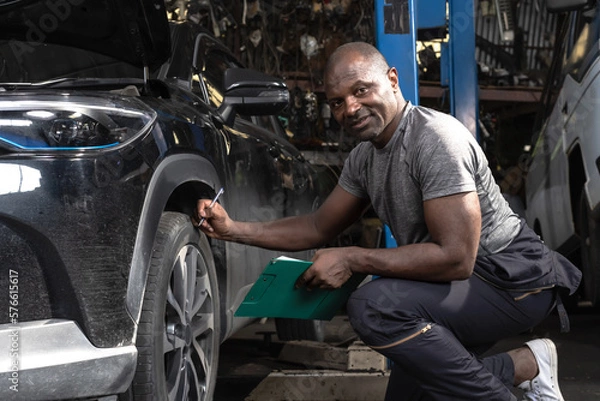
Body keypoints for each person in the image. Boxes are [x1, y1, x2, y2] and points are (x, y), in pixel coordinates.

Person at [193, 42, 581, 400]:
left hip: (510, 280)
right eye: (337, 102)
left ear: (392, 80)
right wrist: (233, 229)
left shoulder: (436, 139)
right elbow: (316, 228)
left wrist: (351, 258)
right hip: (460, 284)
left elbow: (457, 257)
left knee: (375, 305)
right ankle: (527, 366)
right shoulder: (365, 158)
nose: (349, 108)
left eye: (361, 90)